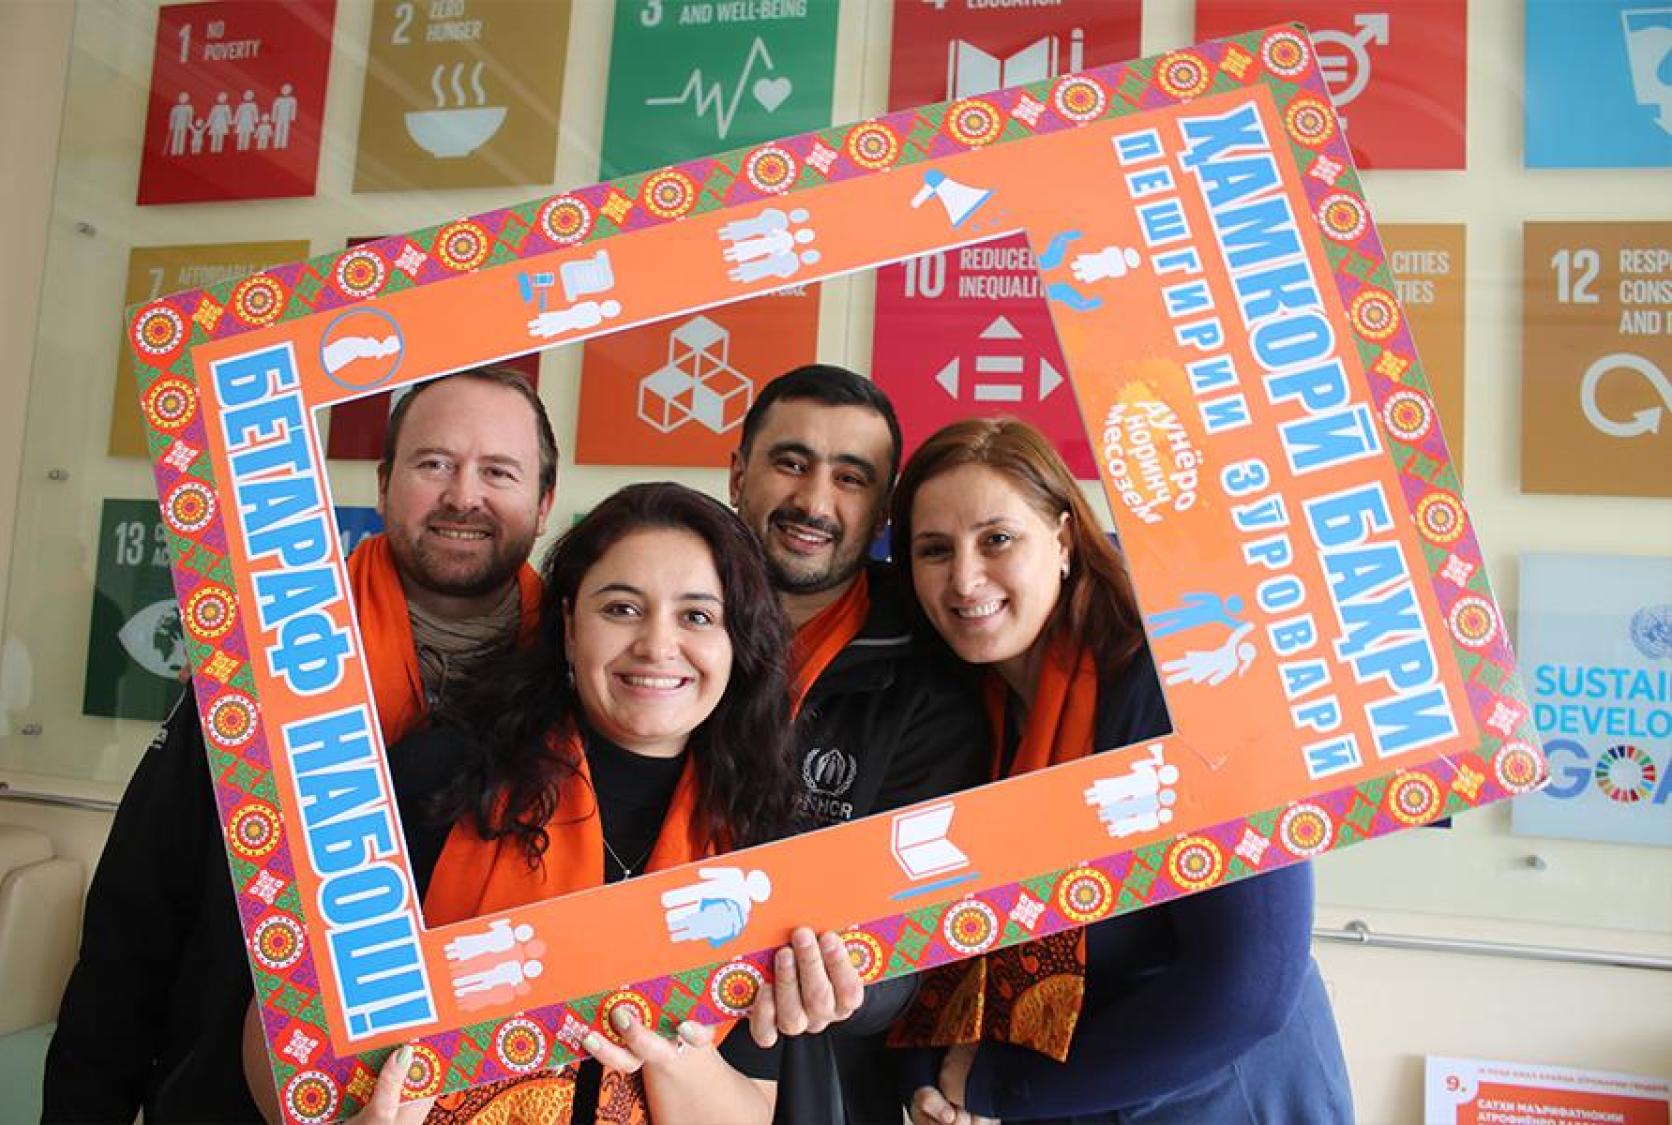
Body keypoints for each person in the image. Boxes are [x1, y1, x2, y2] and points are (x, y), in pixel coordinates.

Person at [43, 366, 558, 1124]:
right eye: (434, 463)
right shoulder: (262, 656)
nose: (462, 495)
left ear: (544, 501)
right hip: (227, 1093)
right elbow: (133, 924)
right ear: (384, 483)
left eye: (499, 471)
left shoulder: (581, 681)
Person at [889, 417, 1354, 1124]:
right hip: (1056, 1097)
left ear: (1066, 539)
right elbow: (941, 926)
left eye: (997, 538)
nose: (964, 577)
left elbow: (1250, 984)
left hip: (1217, 1098)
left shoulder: (1187, 685)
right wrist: (932, 1078)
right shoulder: (961, 709)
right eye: (933, 549)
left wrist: (1000, 1088)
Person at [337, 482, 804, 1124]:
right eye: (620, 609)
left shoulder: (760, 837)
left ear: (738, 643)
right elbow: (283, 1029)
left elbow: (749, 1109)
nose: (657, 646)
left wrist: (665, 1047)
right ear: (567, 626)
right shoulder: (437, 777)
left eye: (696, 616)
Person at [729, 365, 991, 1123]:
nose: (815, 501)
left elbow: (906, 945)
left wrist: (854, 978)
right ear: (739, 471)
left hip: (822, 1087)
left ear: (884, 506)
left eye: (851, 477)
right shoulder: (659, 629)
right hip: (616, 1056)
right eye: (791, 462)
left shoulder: (934, 672)